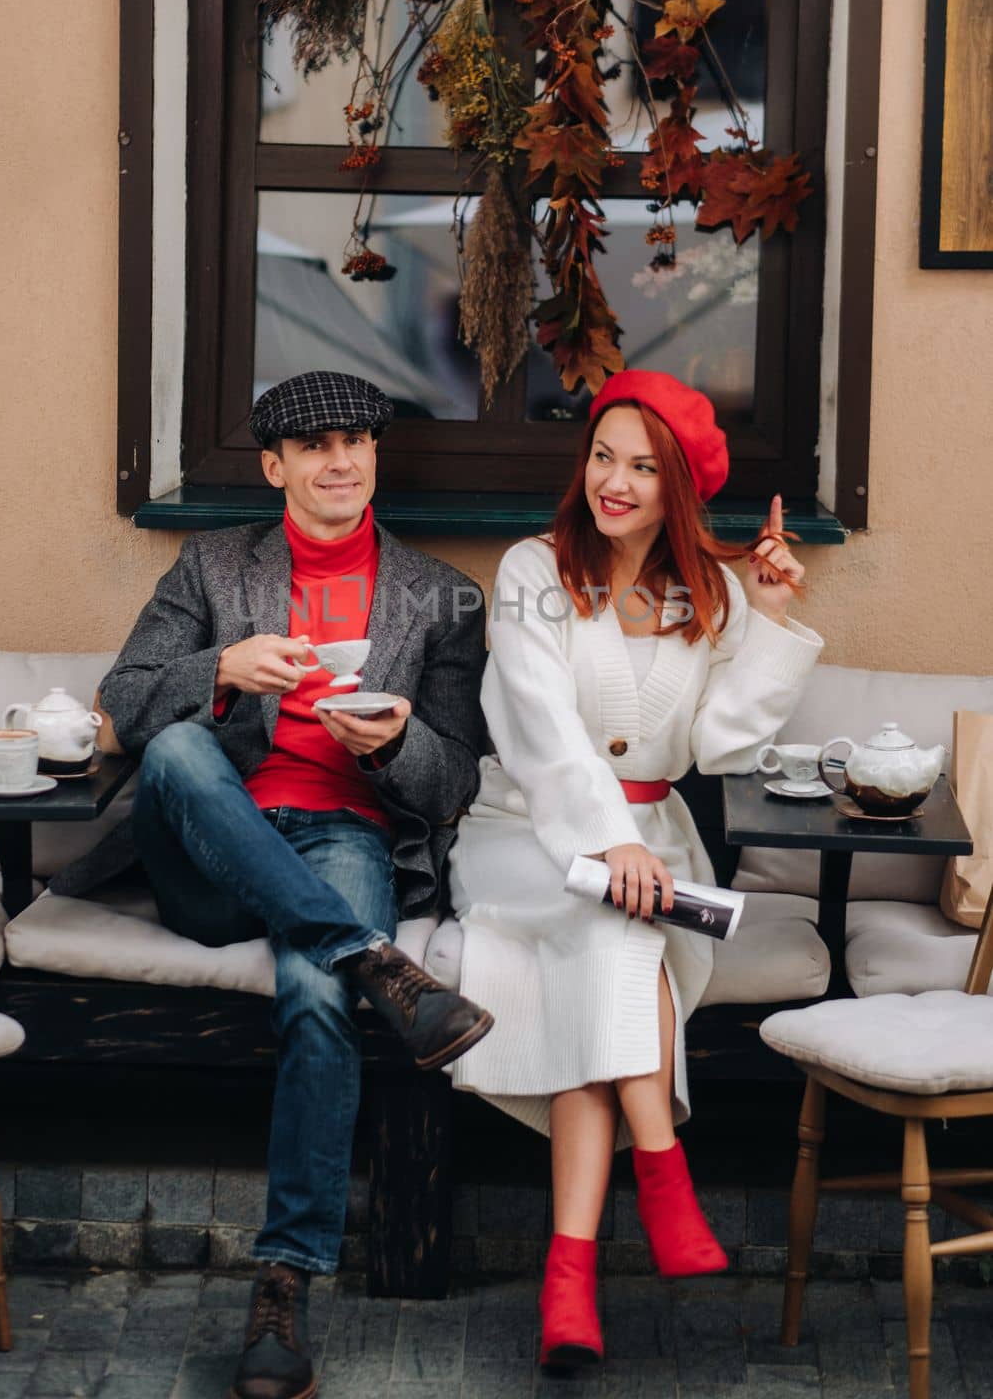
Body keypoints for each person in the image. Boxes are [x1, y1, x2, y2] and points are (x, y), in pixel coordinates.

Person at [92, 370, 493, 1399]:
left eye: (356, 440)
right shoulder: (213, 564)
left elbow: (450, 782)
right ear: (274, 466)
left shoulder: (439, 595)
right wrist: (222, 667)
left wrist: (398, 741)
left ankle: (285, 1283)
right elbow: (129, 703)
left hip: (342, 833)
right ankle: (372, 956)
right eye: (314, 446)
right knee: (180, 752)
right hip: (205, 844)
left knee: (318, 999)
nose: (340, 461)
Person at [447, 368, 824, 1369]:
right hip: (520, 832)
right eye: (602, 456)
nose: (612, 481)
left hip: (653, 847)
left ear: (678, 488)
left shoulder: (712, 593)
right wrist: (600, 840)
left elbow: (722, 743)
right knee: (616, 923)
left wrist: (774, 623)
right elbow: (534, 723)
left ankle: (566, 1285)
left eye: (641, 466)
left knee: (605, 958)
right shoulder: (533, 568)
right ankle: (661, 1173)